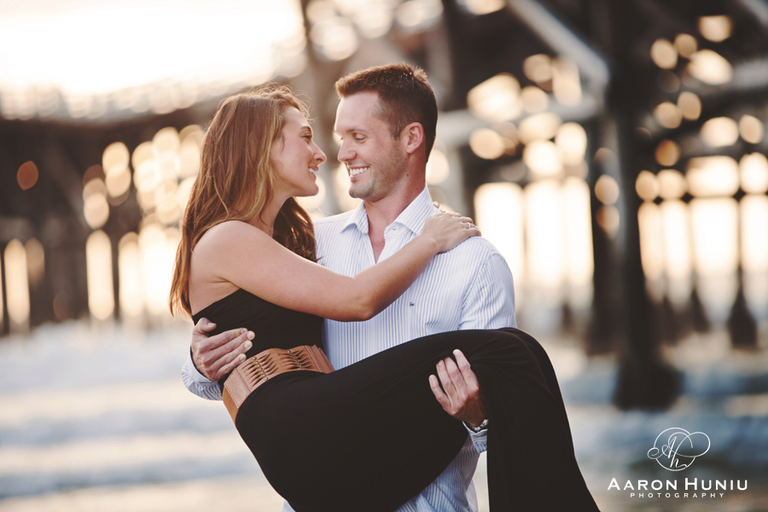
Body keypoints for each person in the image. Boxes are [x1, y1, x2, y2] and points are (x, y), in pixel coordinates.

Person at [175, 67, 599, 512]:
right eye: (334, 138)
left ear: (411, 138)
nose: (337, 154)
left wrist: (478, 417)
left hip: (419, 496)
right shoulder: (310, 247)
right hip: (318, 454)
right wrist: (200, 363)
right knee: (509, 353)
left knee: (519, 354)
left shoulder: (474, 262)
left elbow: (495, 429)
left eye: (357, 137)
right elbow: (252, 335)